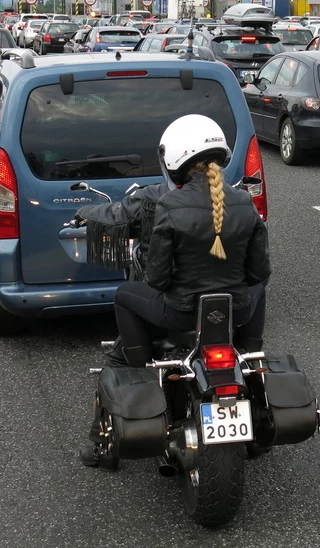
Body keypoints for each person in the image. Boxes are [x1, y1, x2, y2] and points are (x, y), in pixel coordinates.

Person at [79, 115, 271, 466]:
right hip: (236, 313)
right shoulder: (244, 203)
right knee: (257, 291)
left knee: (125, 294)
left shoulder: (169, 204)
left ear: (175, 160)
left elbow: (157, 279)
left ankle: (135, 363)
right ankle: (250, 353)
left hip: (179, 313)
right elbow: (260, 272)